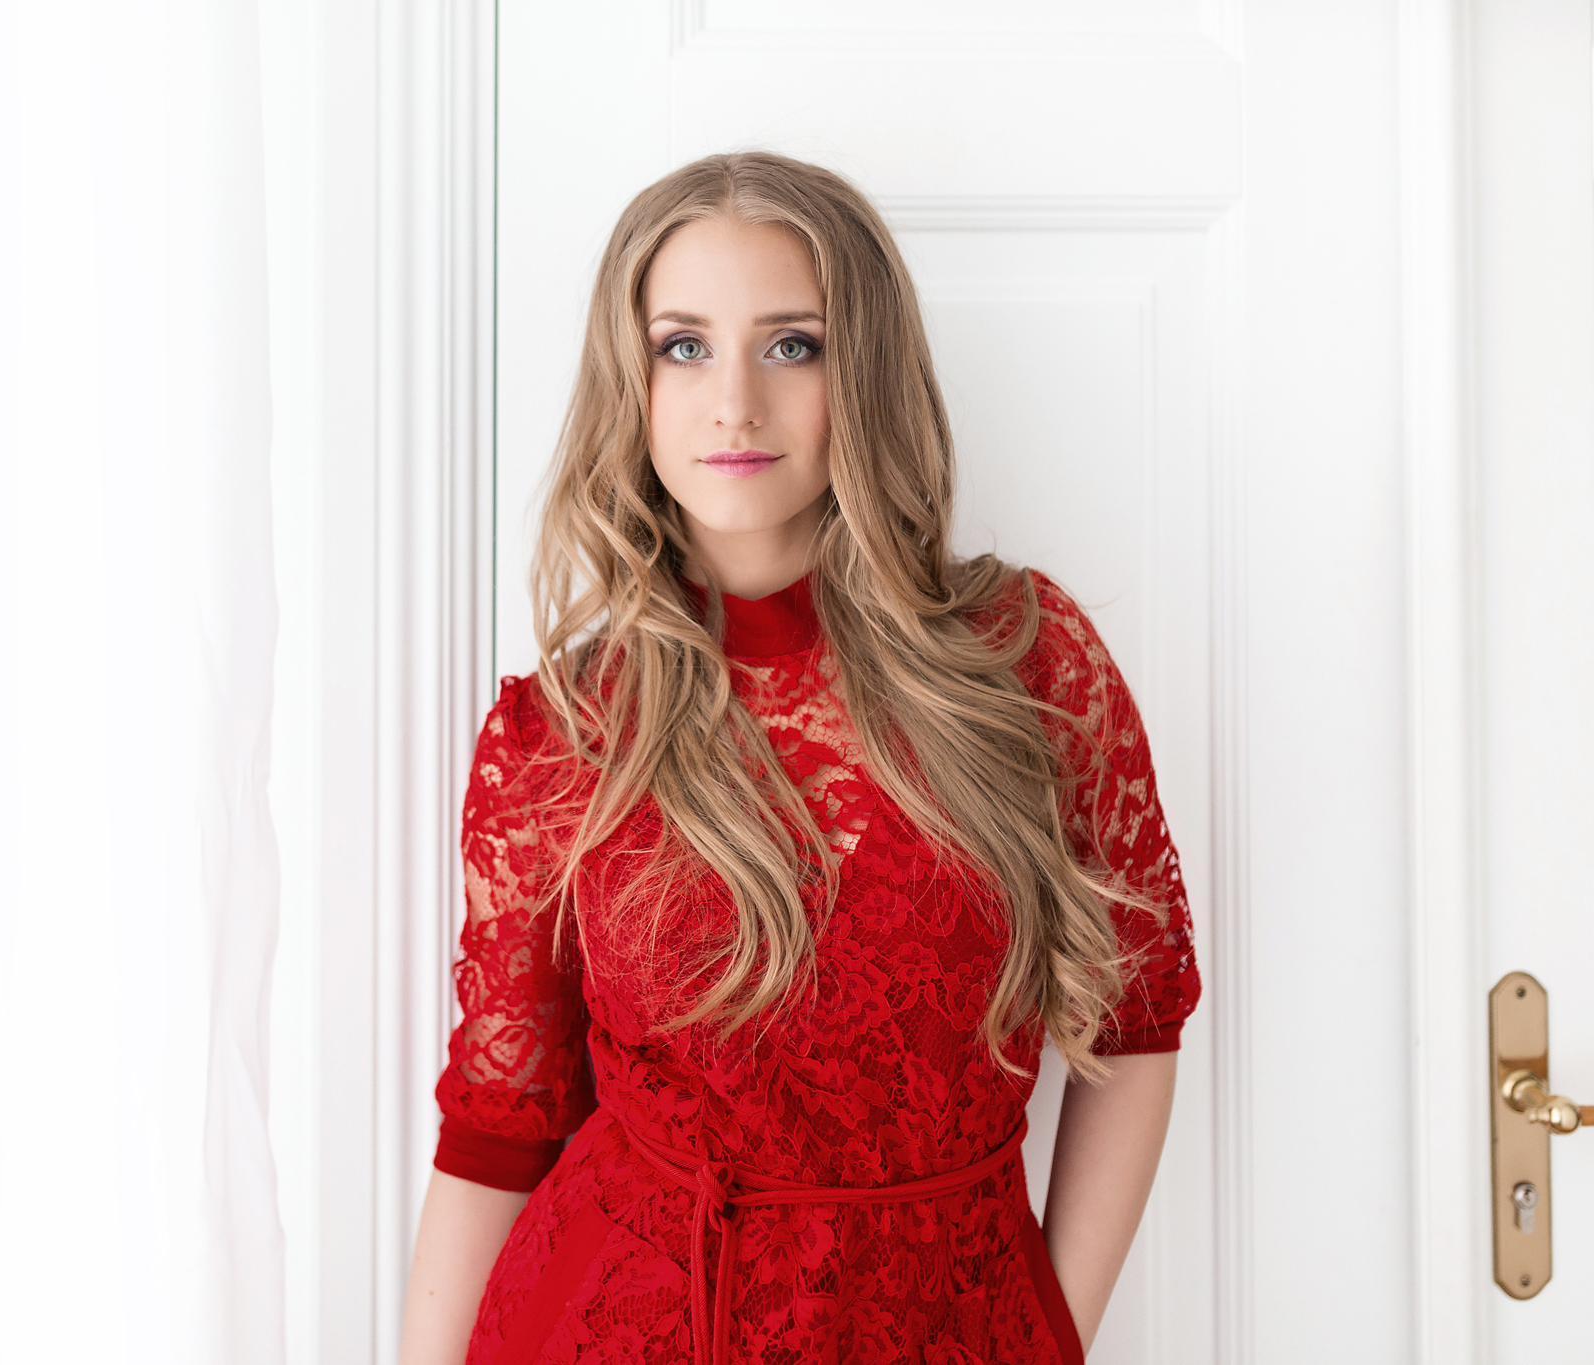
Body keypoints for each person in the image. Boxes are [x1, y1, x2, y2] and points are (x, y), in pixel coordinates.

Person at [398, 152, 1199, 1365]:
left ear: (860, 371)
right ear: (630, 382)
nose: (733, 403)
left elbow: (1132, 1021)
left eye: (790, 346)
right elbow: (497, 1132)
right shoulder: (561, 734)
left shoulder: (1026, 662)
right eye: (682, 346)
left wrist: (1048, 1333)